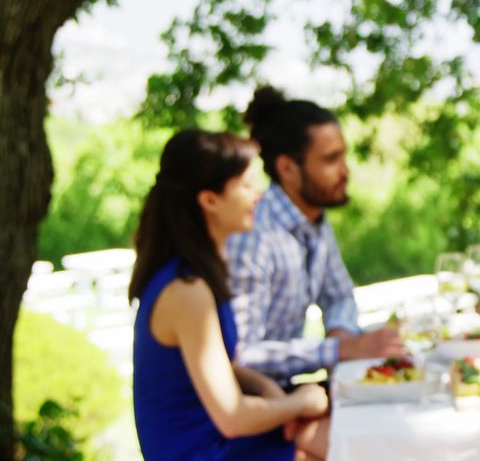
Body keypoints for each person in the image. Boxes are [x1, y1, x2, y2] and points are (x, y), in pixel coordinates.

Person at [130, 129, 330, 461]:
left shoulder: (199, 274)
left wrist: (269, 391)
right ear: (209, 200)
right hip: (205, 451)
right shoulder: (186, 290)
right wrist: (300, 402)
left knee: (334, 433)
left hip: (219, 441)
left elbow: (222, 367)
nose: (259, 196)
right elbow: (233, 417)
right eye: (248, 185)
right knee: (338, 438)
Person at [227, 87, 405, 387]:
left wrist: (341, 333)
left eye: (343, 156)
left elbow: (338, 296)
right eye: (330, 159)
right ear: (287, 168)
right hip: (252, 401)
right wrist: (341, 349)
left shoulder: (315, 222)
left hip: (285, 390)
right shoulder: (254, 235)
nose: (345, 170)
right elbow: (242, 354)